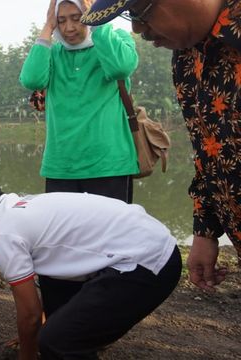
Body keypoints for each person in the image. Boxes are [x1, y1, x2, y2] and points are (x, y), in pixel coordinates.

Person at [81, 0, 240, 292]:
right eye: (131, 16)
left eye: (142, 11)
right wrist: (205, 231)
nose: (138, 29)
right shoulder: (186, 56)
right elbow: (209, 151)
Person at [0, 176, 181, 360]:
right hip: (150, 242)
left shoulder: (4, 234)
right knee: (51, 285)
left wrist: (27, 354)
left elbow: (31, 316)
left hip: (147, 263)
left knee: (57, 342)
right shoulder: (18, 204)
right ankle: (77, 340)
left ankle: (73, 344)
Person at [20, 0, 139, 203]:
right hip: (61, 168)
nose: (69, 28)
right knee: (64, 235)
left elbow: (121, 67)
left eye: (77, 18)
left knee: (110, 234)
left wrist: (98, 20)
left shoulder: (115, 40)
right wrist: (47, 27)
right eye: (61, 20)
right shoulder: (54, 54)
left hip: (109, 165)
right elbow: (31, 79)